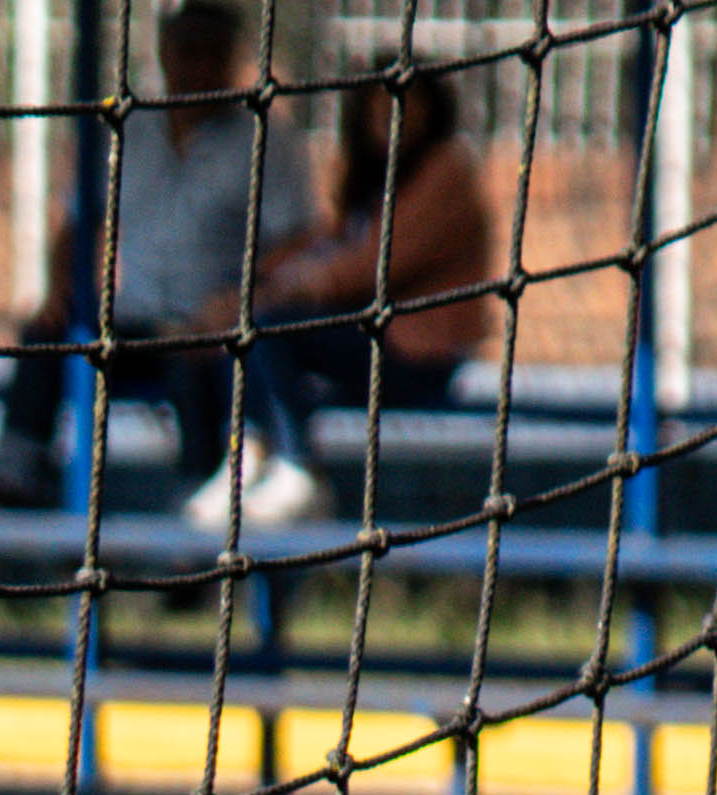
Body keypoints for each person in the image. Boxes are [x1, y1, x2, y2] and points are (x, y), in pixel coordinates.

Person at [0, 0, 288, 507]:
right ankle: (19, 467)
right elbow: (79, 218)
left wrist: (242, 299)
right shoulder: (130, 129)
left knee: (197, 363)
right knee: (48, 332)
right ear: (164, 54)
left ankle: (197, 508)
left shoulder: (263, 138)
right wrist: (62, 285)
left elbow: (298, 239)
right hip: (137, 315)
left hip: (213, 323)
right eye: (185, 51)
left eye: (210, 53)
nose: (197, 66)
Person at [204, 61, 498, 532]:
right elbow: (327, 241)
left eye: (403, 106)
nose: (389, 119)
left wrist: (276, 290)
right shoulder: (374, 178)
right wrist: (247, 286)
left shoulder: (446, 171)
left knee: (268, 329)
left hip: (417, 354)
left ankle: (297, 469)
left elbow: (368, 267)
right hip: (374, 340)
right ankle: (247, 457)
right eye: (376, 109)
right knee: (243, 333)